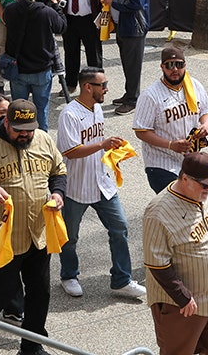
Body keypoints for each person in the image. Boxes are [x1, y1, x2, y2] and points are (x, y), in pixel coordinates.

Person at [0, 98, 67, 353]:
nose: (25, 135)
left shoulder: (43, 139)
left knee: (40, 292)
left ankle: (31, 346)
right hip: (5, 235)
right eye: (19, 130)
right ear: (7, 122)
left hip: (38, 233)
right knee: (2, 291)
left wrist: (58, 192)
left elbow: (58, 170)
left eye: (29, 129)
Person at [55, 66, 147, 299]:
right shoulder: (69, 114)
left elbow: (97, 144)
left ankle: (121, 280)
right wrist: (102, 145)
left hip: (101, 183)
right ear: (88, 87)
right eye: (102, 85)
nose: (106, 89)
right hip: (76, 186)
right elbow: (71, 151)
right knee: (70, 237)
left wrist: (112, 152)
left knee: (120, 227)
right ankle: (69, 275)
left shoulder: (96, 108)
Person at [142, 151, 208, 355]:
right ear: (185, 179)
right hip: (183, 306)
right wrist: (182, 296)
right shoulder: (158, 212)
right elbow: (156, 262)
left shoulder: (202, 195)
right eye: (205, 184)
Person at [133, 47, 208, 193]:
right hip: (161, 163)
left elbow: (207, 111)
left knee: (192, 205)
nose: (175, 69)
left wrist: (206, 125)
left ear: (185, 65)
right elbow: (141, 131)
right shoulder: (150, 96)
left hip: (190, 160)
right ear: (162, 67)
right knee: (178, 202)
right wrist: (170, 145)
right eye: (170, 65)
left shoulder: (194, 86)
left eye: (179, 64)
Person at [3, 0, 66, 131]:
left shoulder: (11, 10)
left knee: (19, 112)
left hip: (18, 70)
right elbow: (62, 26)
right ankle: (41, 144)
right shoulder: (47, 12)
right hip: (41, 71)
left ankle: (18, 140)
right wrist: (55, 4)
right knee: (41, 111)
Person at [104, 0, 149, 115]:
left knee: (132, 65)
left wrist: (112, 2)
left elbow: (136, 3)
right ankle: (129, 94)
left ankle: (133, 100)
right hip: (124, 26)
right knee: (127, 63)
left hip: (133, 28)